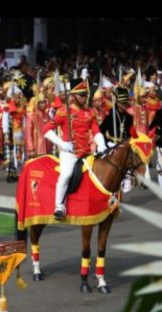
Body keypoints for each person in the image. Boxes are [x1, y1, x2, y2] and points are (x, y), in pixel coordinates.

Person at [42, 78, 106, 220]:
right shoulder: (64, 112)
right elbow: (46, 130)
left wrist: (102, 144)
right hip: (69, 152)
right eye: (81, 95)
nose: (85, 98)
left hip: (87, 152)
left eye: (86, 95)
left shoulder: (90, 113)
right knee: (65, 175)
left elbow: (95, 131)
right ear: (74, 95)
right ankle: (59, 205)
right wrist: (62, 144)